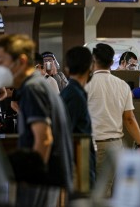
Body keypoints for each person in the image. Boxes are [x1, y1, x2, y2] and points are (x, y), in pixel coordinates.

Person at [0, 34, 73, 206]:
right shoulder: (38, 85)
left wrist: (30, 180)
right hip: (47, 177)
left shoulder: (32, 89)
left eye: (1, 62)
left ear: (21, 61)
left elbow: (44, 139)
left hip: (41, 181)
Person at [85, 43, 140, 198]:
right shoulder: (122, 86)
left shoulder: (86, 85)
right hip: (116, 145)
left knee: (97, 191)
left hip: (92, 143)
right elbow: (129, 119)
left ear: (93, 61)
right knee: (114, 190)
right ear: (112, 62)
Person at [60, 46, 96, 189]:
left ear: (67, 69)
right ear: (91, 67)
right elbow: (66, 134)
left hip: (80, 159)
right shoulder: (74, 95)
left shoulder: (73, 92)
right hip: (78, 162)